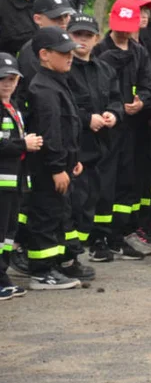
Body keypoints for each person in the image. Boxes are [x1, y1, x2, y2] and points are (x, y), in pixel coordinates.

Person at [24, 27, 88, 288]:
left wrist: (73, 159)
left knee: (58, 215)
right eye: (63, 53)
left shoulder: (57, 83)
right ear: (44, 55)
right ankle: (40, 272)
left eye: (71, 52)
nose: (69, 57)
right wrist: (56, 168)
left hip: (61, 165)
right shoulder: (44, 89)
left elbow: (67, 130)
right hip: (48, 169)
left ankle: (53, 265)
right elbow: (50, 134)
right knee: (45, 216)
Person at [65, 14, 124, 263]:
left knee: (94, 201)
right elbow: (62, 107)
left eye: (87, 36)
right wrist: (86, 118)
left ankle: (86, 247)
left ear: (96, 39)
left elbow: (116, 99)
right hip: (76, 149)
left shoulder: (104, 69)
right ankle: (70, 255)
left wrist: (113, 114)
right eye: (77, 35)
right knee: (75, 205)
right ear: (68, 36)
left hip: (102, 148)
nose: (82, 40)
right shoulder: (64, 70)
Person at [0, 53, 43, 299]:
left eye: (12, 79)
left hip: (15, 181)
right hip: (2, 183)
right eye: (2, 79)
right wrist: (22, 144)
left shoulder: (13, 106)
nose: (7, 83)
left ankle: (3, 276)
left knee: (8, 234)